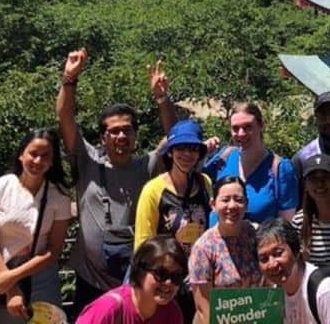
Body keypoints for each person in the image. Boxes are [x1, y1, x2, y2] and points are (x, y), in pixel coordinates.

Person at [57, 49, 178, 314]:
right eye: (114, 131)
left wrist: (162, 99)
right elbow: (65, 120)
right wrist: (69, 79)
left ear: (135, 134)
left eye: (127, 129)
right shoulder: (87, 163)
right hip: (91, 281)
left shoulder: (148, 166)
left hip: (137, 281)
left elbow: (176, 138)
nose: (121, 135)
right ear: (103, 137)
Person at [0, 128, 73, 322]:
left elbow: (53, 251)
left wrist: (12, 277)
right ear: (21, 154)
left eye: (45, 156)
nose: (38, 161)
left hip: (41, 278)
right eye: (33, 154)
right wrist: (11, 288)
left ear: (53, 161)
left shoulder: (59, 197)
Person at [136, 119, 213, 323]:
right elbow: (143, 243)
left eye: (193, 149)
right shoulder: (153, 191)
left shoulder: (205, 184)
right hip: (166, 281)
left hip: (200, 279)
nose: (187, 155)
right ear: (170, 151)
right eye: (181, 148)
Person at [256, 218, 330, 324]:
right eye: (264, 259)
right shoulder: (276, 297)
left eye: (278, 253)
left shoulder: (325, 291)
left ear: (296, 250)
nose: (272, 264)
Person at [203, 102, 298, 225]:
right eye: (235, 128)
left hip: (258, 242)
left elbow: (286, 226)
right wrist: (200, 152)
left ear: (261, 126)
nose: (241, 133)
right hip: (215, 242)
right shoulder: (223, 158)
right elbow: (191, 182)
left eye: (248, 127)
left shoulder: (280, 169)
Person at [189, 177, 263, 324]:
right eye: (225, 200)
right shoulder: (203, 248)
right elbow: (205, 310)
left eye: (238, 199)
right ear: (213, 204)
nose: (232, 205)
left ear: (247, 205)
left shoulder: (256, 234)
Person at [77, 235, 187, 324]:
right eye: (161, 274)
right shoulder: (109, 309)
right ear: (140, 271)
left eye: (176, 277)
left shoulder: (172, 313)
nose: (169, 282)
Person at [292, 154, 330, 267]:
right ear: (305, 185)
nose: (320, 184)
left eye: (326, 177)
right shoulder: (299, 222)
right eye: (313, 179)